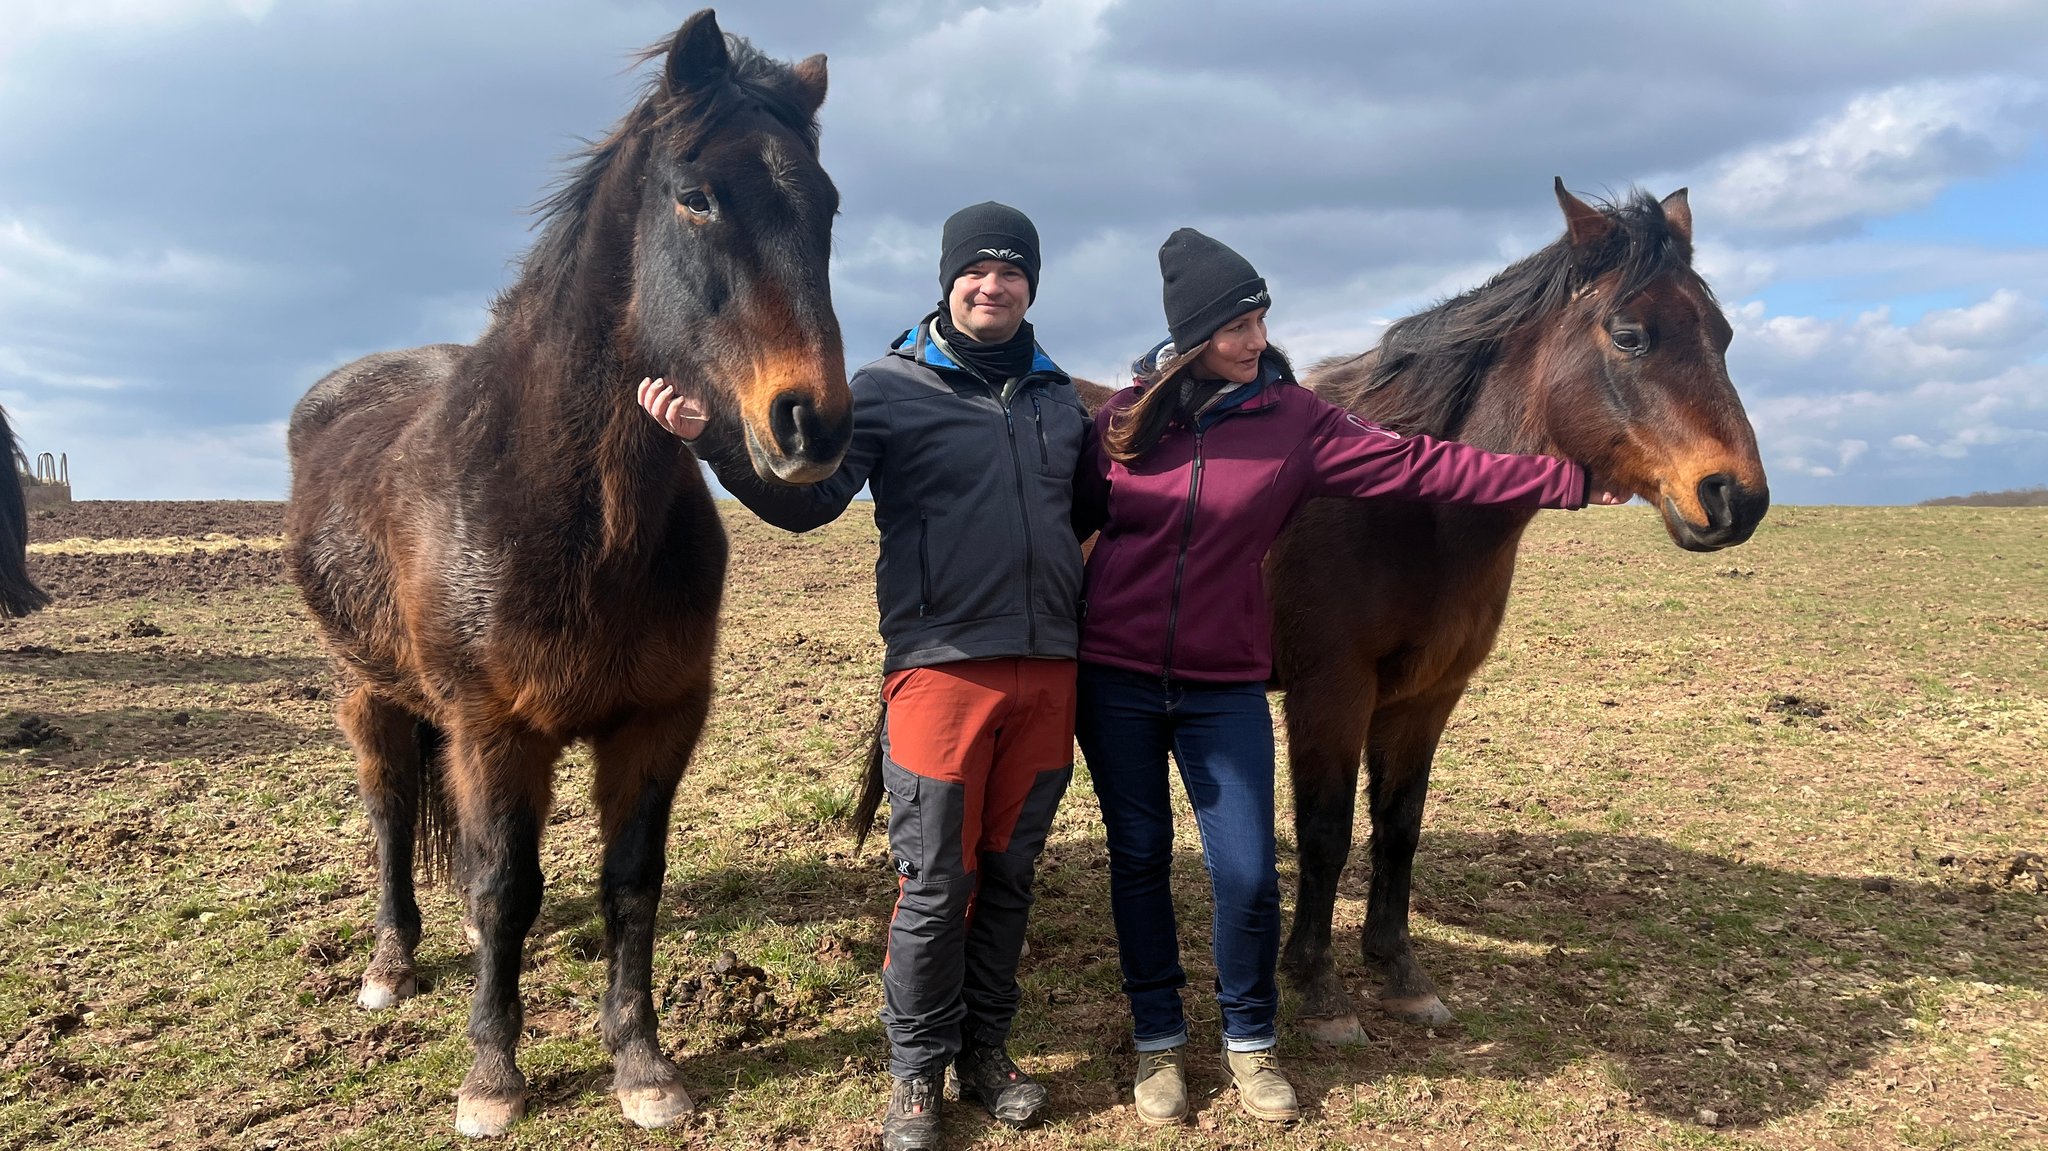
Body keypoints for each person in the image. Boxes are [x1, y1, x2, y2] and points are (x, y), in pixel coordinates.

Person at [1070, 229, 1626, 1127]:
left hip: (1222, 682)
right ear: (1192, 332)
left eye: (1261, 320)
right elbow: (1076, 516)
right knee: (1138, 865)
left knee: (1248, 874)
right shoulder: (1125, 420)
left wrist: (1559, 481)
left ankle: (1252, 1041)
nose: (1256, 340)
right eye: (1235, 325)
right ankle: (1159, 1042)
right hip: (1122, 676)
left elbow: (1419, 463)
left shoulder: (1298, 421)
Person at [639, 202, 1091, 1151]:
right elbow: (810, 506)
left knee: (1010, 875)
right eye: (978, 270)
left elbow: (1097, 511)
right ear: (949, 279)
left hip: (1050, 672)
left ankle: (986, 1051)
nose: (993, 285)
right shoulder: (888, 389)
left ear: (1031, 287)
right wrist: (713, 440)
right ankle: (915, 1076)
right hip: (940, 674)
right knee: (937, 882)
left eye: (1012, 272)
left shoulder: (1059, 401)